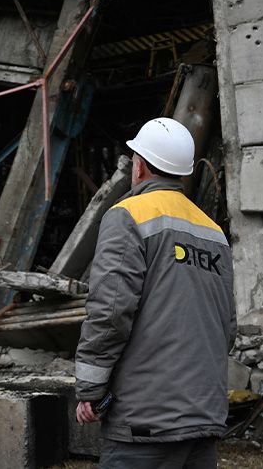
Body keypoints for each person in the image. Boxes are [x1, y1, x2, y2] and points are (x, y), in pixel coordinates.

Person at [74, 117, 235, 469]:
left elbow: (111, 311)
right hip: (203, 418)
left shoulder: (128, 216)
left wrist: (90, 389)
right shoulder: (213, 232)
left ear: (140, 166)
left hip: (146, 423)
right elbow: (228, 328)